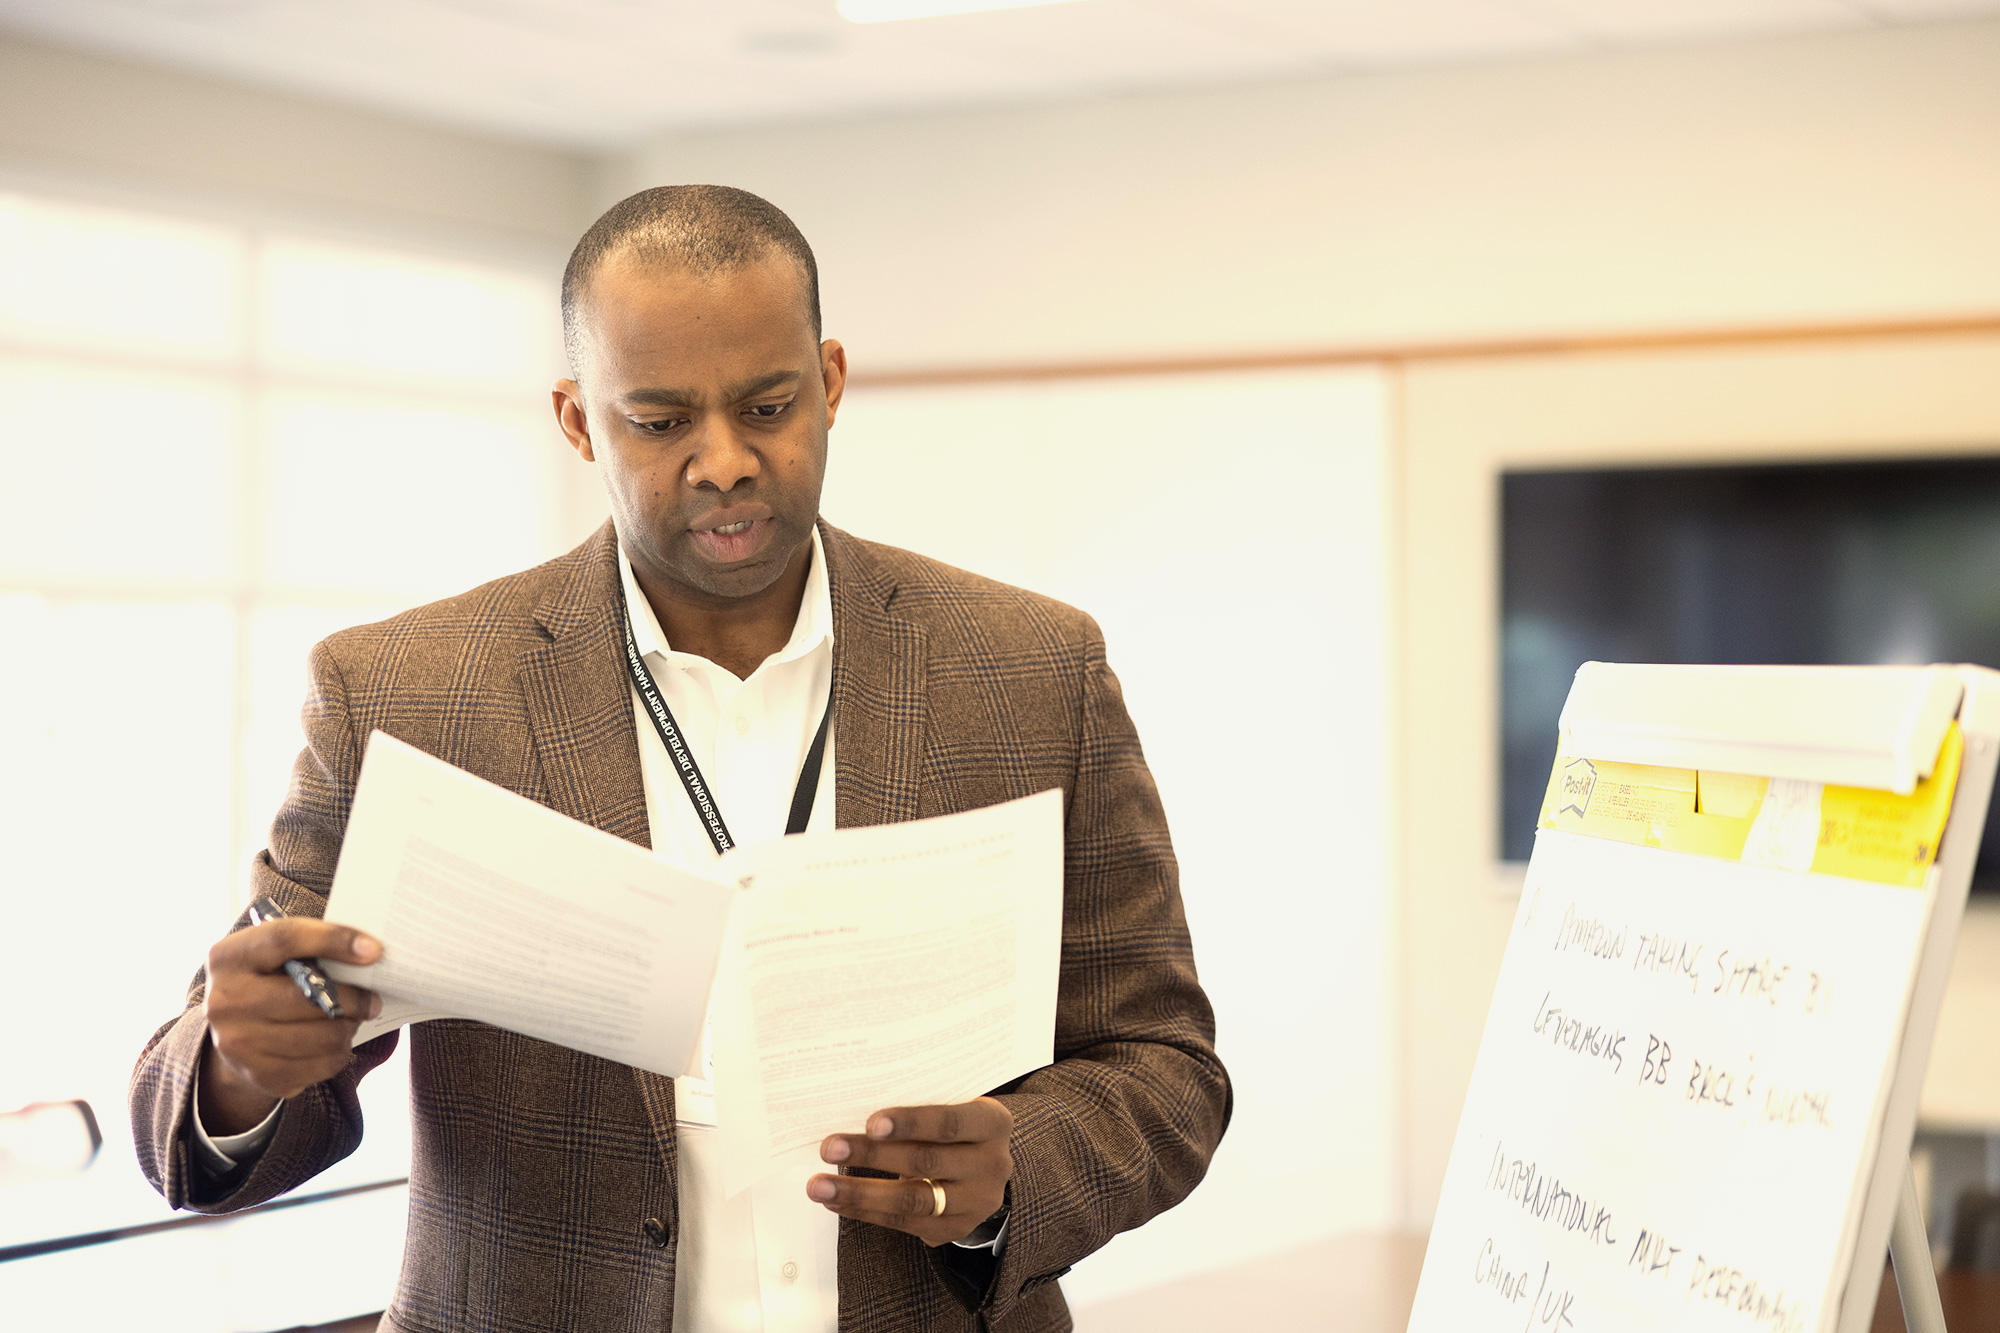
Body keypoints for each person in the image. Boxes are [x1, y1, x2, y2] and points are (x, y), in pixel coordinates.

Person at [131, 185, 1228, 1333]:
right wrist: (241, 1068)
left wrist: (1012, 1170)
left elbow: (1162, 1063)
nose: (723, 462)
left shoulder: (1031, 669)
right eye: (658, 422)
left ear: (831, 382)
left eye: (767, 406)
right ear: (576, 420)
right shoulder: (405, 693)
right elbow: (191, 1126)